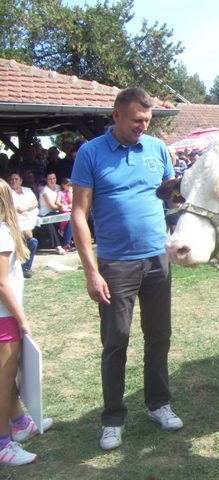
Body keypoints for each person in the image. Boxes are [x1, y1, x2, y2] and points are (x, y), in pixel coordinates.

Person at [71, 87, 183, 452]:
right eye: (137, 120)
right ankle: (113, 418)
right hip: (115, 264)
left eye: (147, 121)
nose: (142, 127)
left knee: (159, 336)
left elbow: (172, 197)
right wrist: (91, 271)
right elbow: (78, 214)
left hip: (156, 259)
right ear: (116, 115)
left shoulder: (156, 149)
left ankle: (158, 403)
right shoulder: (90, 153)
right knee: (116, 340)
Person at [0, 179, 53, 466]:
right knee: (4, 382)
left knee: (6, 382)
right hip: (4, 318)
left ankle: (20, 423)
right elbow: (1, 284)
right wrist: (22, 320)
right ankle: (2, 444)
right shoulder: (3, 235)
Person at [8, 172, 39, 278]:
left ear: (21, 181)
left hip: (30, 220)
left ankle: (26, 268)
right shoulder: (8, 193)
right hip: (16, 224)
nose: (13, 181)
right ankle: (21, 267)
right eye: (11, 179)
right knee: (31, 240)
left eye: (16, 179)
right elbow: (12, 207)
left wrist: (27, 208)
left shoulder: (27, 190)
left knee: (32, 241)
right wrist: (20, 209)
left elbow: (35, 203)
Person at [38, 172, 66, 255]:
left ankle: (67, 243)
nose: (52, 180)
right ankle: (58, 246)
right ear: (46, 180)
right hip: (46, 213)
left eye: (54, 178)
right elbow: (52, 206)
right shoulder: (44, 190)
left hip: (58, 212)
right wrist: (63, 207)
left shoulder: (58, 187)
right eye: (50, 179)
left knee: (70, 218)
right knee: (50, 223)